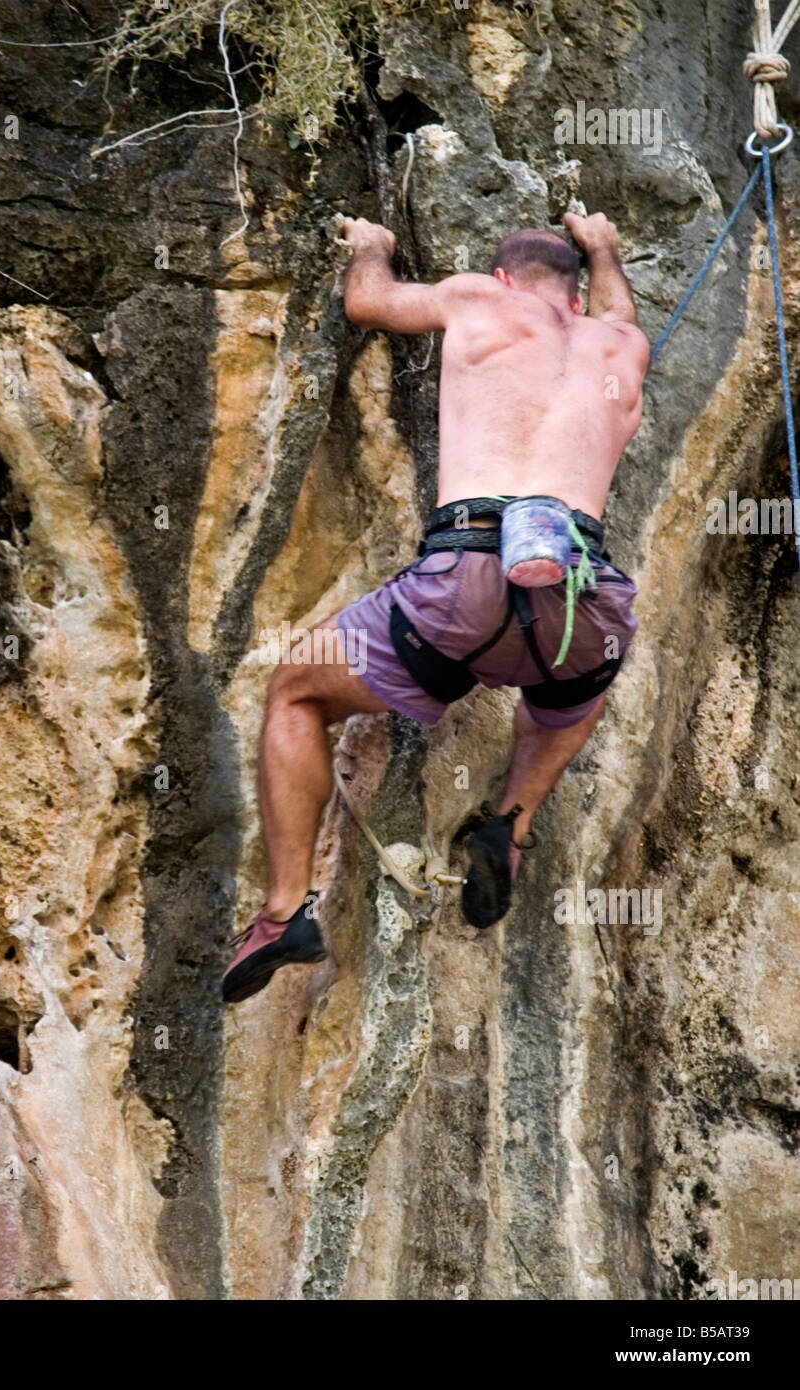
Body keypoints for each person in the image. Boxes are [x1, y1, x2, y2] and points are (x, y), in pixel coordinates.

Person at [222, 211, 650, 1004]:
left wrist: (371, 246)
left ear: (503, 279)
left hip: (463, 581)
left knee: (297, 691)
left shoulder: (481, 302)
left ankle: (283, 915)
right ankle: (508, 828)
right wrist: (604, 245)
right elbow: (618, 310)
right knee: (571, 700)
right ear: (580, 296)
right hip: (583, 601)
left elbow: (370, 303)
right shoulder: (618, 344)